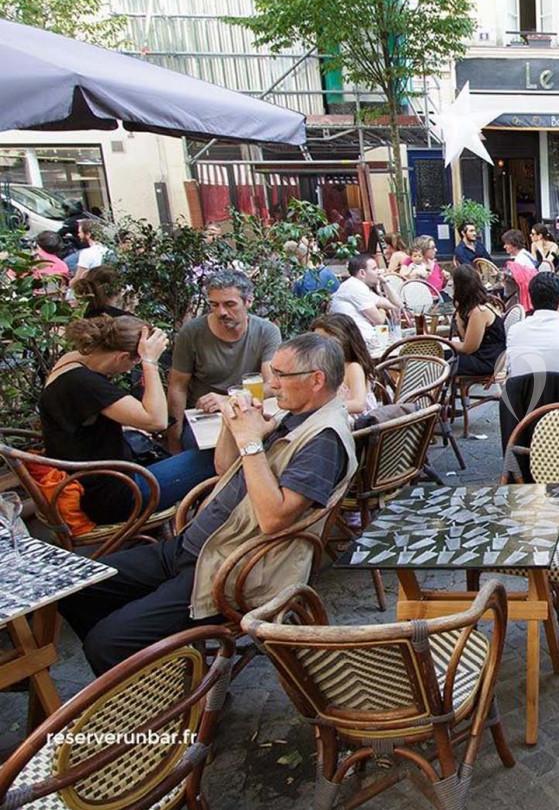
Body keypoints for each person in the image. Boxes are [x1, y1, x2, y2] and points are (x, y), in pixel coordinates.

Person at [59, 333, 357, 675]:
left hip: (228, 569)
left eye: (279, 375)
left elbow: (274, 519)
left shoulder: (323, 440)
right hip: (192, 546)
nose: (271, 383)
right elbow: (223, 468)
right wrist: (233, 428)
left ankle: (172, 700)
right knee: (76, 588)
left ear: (316, 380)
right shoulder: (296, 415)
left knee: (107, 642)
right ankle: (165, 674)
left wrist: (250, 441)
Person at [39, 315, 216, 526]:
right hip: (115, 496)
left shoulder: (72, 360)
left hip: (86, 478)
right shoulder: (84, 384)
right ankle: (205, 532)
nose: (133, 369)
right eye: (135, 363)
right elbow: (157, 420)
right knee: (218, 456)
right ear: (122, 357)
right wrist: (150, 363)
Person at [166, 270, 283, 453]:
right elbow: (177, 386)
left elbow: (273, 385)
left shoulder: (266, 332)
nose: (221, 312)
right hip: (204, 418)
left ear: (248, 301)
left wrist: (230, 399)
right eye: (214, 305)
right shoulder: (192, 333)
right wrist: (174, 439)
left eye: (230, 305)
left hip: (248, 415)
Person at [312, 313, 385, 415]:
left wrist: (323, 409)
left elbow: (359, 404)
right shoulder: (327, 367)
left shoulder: (353, 367)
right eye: (315, 341)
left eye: (325, 341)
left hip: (358, 425)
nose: (318, 346)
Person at [328, 254, 402, 344]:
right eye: (374, 269)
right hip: (362, 343)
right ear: (362, 273)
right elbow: (379, 320)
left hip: (365, 339)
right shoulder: (355, 287)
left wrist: (384, 282)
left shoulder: (357, 285)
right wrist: (382, 309)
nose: (379, 272)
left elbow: (397, 305)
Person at [449, 264, 506, 376]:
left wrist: (442, 342)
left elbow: (468, 348)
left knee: (437, 361)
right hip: (482, 355)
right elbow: (465, 337)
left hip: (487, 361)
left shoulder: (479, 312)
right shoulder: (481, 304)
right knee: (439, 356)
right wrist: (460, 312)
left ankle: (432, 391)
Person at [71, 218, 111, 283]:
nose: (78, 235)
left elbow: (79, 279)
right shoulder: (108, 250)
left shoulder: (87, 253)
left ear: (88, 234)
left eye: (80, 232)